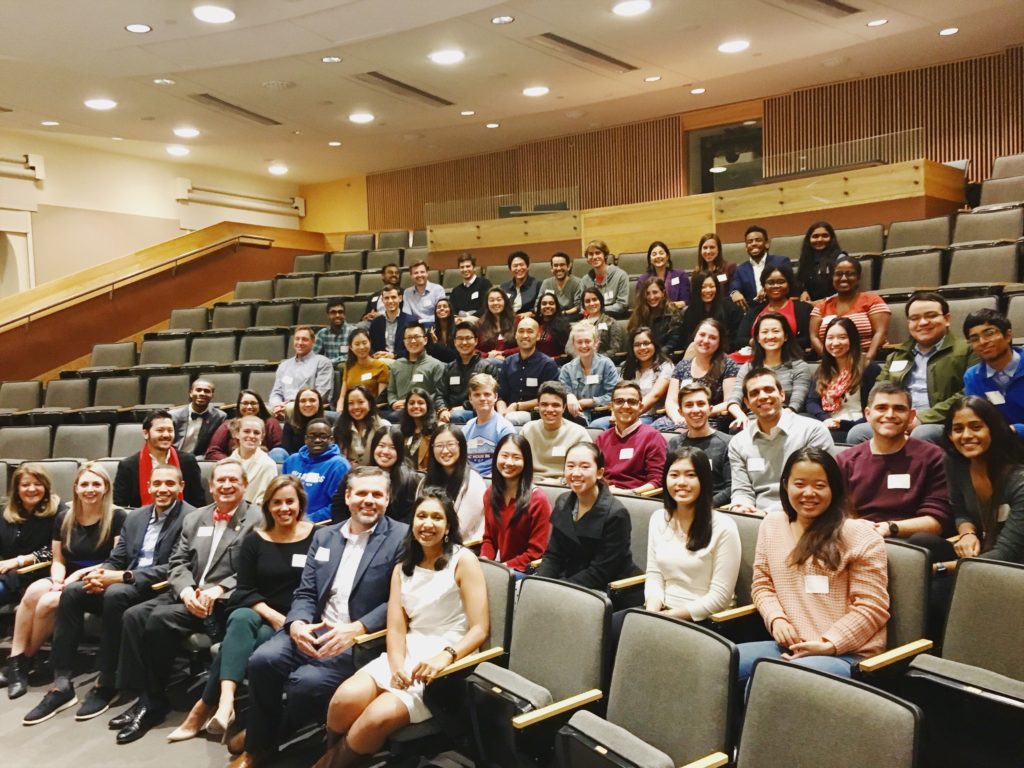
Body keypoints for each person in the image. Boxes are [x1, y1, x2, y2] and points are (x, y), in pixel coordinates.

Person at [231, 466, 407, 767]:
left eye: (377, 494)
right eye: (362, 493)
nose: (369, 500)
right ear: (348, 496)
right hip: (313, 628)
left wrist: (358, 627)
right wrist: (297, 622)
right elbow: (307, 591)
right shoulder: (325, 536)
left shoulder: (401, 538)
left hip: (359, 639)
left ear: (388, 499)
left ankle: (273, 731)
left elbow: (401, 600)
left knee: (305, 684)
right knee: (262, 661)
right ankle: (259, 746)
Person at [314, 488, 488, 768]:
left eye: (436, 518)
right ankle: (334, 760)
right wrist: (396, 668)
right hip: (406, 652)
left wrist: (446, 655)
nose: (427, 524)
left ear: (448, 527)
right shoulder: (402, 567)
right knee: (343, 701)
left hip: (447, 659)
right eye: (421, 516)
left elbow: (480, 628)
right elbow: (396, 629)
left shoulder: (462, 560)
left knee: (374, 719)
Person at [21, 465, 192, 724]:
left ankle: (107, 680)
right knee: (73, 591)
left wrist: (122, 576)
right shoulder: (136, 517)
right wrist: (101, 575)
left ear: (181, 487)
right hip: (124, 584)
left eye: (170, 484)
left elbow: (176, 566)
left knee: (115, 595)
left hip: (159, 590)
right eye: (157, 484)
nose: (162, 489)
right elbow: (117, 558)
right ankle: (62, 682)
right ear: (148, 487)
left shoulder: (190, 518)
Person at [110, 459, 261, 745]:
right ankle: (144, 693)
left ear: (245, 485)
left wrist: (219, 590)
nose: (226, 485)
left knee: (159, 619)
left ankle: (153, 701)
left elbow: (257, 568)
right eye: (220, 480)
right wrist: (187, 590)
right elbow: (177, 562)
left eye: (233, 480)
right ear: (211, 485)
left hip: (224, 601)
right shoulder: (196, 518)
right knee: (134, 615)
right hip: (189, 593)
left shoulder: (259, 519)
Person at [167, 476, 315, 744]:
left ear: (300, 503)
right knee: (240, 615)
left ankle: (204, 707)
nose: (284, 508)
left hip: (297, 617)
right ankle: (225, 704)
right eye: (277, 502)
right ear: (268, 506)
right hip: (259, 611)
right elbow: (245, 589)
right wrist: (272, 615)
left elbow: (317, 587)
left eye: (290, 502)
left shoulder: (317, 537)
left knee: (239, 641)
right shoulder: (255, 540)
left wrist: (290, 620)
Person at [736, 448, 889, 686]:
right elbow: (762, 585)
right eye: (800, 484)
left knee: (768, 683)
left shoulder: (859, 535)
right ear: (786, 485)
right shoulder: (772, 524)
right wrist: (777, 620)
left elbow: (872, 607)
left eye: (819, 485)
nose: (809, 493)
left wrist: (830, 643)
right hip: (790, 645)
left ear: (834, 489)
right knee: (717, 664)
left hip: (846, 653)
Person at [6, 464, 125, 701]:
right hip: (66, 574)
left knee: (48, 602)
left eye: (95, 484)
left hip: (97, 578)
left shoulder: (117, 516)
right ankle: (16, 659)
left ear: (105, 488)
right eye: (84, 484)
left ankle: (24, 661)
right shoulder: (64, 517)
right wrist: (59, 579)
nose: (89, 489)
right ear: (76, 488)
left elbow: (116, 560)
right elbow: (58, 559)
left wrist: (72, 579)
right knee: (32, 593)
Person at [836, 383, 952, 556]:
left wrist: (889, 528)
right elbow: (837, 513)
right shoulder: (845, 460)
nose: (889, 415)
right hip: (857, 541)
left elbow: (937, 521)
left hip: (910, 545)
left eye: (899, 409)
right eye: (881, 408)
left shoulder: (933, 457)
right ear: (867, 414)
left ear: (911, 415)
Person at [847, 291, 973, 445]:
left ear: (947, 319)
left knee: (921, 434)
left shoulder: (966, 351)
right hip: (897, 418)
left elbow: (969, 392)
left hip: (943, 421)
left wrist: (922, 418)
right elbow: (879, 390)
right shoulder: (898, 355)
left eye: (931, 316)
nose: (923, 323)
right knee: (858, 433)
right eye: (915, 318)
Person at [644, 446, 741, 622]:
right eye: (674, 475)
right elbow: (654, 575)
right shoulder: (658, 518)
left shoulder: (724, 527)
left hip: (706, 619)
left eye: (691, 475)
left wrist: (669, 617)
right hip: (662, 612)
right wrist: (651, 613)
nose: (681, 482)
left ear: (704, 480)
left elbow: (721, 597)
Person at [728, 368, 835, 515]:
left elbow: (816, 489)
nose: (763, 396)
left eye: (769, 390)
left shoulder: (812, 431)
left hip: (804, 513)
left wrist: (768, 514)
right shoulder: (738, 442)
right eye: (754, 393)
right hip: (754, 516)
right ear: (746, 403)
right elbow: (742, 489)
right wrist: (741, 507)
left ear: (782, 394)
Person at [935, 396, 1024, 569]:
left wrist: (937, 568)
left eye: (976, 427)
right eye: (958, 429)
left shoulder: (1019, 481)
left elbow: (1006, 553)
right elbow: (960, 510)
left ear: (993, 430)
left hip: (1012, 564)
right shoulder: (954, 462)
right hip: (981, 550)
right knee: (922, 542)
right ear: (950, 435)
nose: (966, 435)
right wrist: (967, 533)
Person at [535, 443, 640, 589]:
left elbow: (601, 571)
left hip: (609, 589)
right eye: (570, 466)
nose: (576, 473)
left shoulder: (616, 514)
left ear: (599, 472)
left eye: (584, 467)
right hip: (569, 581)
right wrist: (538, 584)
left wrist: (557, 590)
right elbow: (554, 554)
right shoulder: (563, 501)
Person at [481, 434, 552, 575]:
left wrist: (501, 569)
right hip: (502, 568)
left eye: (516, 457)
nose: (509, 462)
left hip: (526, 572)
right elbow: (489, 539)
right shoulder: (490, 494)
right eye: (504, 456)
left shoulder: (538, 499)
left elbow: (535, 553)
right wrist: (484, 561)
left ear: (526, 461)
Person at [655, 318, 742, 430]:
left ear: (719, 342)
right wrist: (678, 418)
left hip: (711, 420)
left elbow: (729, 402)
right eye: (702, 335)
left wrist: (697, 414)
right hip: (681, 419)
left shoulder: (729, 365)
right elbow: (671, 401)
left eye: (712, 337)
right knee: (651, 434)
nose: (705, 340)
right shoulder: (682, 365)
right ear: (695, 337)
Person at [728, 312, 812, 425]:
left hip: (788, 419)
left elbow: (796, 404)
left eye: (776, 331)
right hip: (754, 420)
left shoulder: (799, 367)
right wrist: (741, 417)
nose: (770, 336)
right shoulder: (748, 368)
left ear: (786, 336)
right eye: (764, 332)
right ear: (757, 338)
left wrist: (772, 421)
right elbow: (734, 400)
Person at [805, 318, 880, 442]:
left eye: (842, 337)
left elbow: (874, 408)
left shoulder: (868, 368)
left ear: (852, 340)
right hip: (829, 422)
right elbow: (811, 402)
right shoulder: (823, 369)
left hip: (857, 425)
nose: (835, 343)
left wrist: (844, 424)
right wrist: (825, 418)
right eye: (830, 338)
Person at [0, 464, 64, 606]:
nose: (31, 489)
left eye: (37, 484)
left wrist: (19, 561)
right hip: (7, 575)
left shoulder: (60, 512)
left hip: (38, 577)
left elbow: (55, 552)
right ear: (17, 489)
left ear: (46, 487)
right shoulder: (5, 511)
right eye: (25, 485)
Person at [114, 409, 205, 509]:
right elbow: (120, 507)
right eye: (160, 430)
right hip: (142, 523)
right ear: (146, 433)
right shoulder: (128, 466)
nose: (166, 435)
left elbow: (198, 503)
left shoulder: (188, 462)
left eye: (170, 430)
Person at [333, 427, 422, 526]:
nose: (385, 451)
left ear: (400, 452)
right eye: (381, 445)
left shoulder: (410, 480)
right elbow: (339, 506)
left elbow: (410, 516)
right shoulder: (355, 473)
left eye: (392, 447)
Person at [808, 255, 890, 360]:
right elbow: (814, 337)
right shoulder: (822, 306)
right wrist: (829, 361)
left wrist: (867, 360)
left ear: (858, 278)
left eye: (850, 274)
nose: (843, 278)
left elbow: (880, 333)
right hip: (831, 362)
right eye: (838, 274)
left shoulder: (872, 300)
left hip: (866, 359)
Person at [666, 383, 733, 508]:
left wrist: (701, 509)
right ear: (680, 411)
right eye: (689, 405)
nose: (696, 410)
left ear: (710, 409)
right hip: (681, 508)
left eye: (701, 404)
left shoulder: (728, 443)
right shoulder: (674, 444)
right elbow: (669, 481)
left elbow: (731, 488)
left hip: (715, 510)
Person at [594, 381, 666, 494]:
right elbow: (594, 474)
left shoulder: (653, 437)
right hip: (604, 497)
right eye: (619, 401)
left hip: (636, 500)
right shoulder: (602, 438)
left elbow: (658, 480)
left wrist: (629, 493)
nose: (626, 406)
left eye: (632, 402)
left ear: (641, 406)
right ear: (611, 406)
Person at [962, 308, 1024, 436]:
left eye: (989, 333)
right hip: (998, 445)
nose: (982, 342)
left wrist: (1015, 430)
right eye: (974, 339)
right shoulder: (973, 377)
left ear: (1008, 336)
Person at [424, 424, 488, 542]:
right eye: (439, 446)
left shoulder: (474, 481)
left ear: (461, 447)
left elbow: (460, 530)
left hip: (463, 547)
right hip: (429, 543)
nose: (445, 450)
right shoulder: (425, 480)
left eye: (450, 445)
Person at [734, 262, 813, 356]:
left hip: (792, 359)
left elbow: (807, 340)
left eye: (781, 282)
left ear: (789, 285)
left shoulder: (804, 309)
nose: (775, 286)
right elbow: (740, 340)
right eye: (770, 282)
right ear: (764, 286)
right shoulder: (754, 310)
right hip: (757, 360)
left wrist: (767, 343)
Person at [521, 382, 592, 481]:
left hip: (565, 486)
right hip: (531, 486)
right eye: (544, 404)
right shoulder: (527, 430)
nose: (549, 409)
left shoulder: (579, 434)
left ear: (564, 408)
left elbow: (587, 470)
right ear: (538, 406)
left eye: (555, 405)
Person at [283, 418, 350, 524]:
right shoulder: (291, 460)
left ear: (331, 439)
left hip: (320, 525)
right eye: (312, 436)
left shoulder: (339, 465)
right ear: (305, 439)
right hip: (288, 519)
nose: (317, 440)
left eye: (323, 436)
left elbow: (339, 505)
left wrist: (306, 520)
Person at [497, 317, 560, 427]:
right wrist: (502, 413)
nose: (525, 335)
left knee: (510, 419)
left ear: (538, 336)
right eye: (521, 331)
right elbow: (501, 396)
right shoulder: (508, 363)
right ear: (516, 335)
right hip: (508, 413)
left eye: (530, 331)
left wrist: (517, 406)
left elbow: (549, 397)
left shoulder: (547, 364)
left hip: (535, 414)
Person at [608, 326, 673, 427]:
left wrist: (630, 415)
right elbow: (617, 395)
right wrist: (614, 415)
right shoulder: (627, 368)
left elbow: (654, 396)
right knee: (598, 424)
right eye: (637, 345)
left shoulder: (666, 366)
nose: (642, 347)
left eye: (646, 343)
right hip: (623, 414)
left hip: (650, 416)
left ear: (654, 345)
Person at [384, 321, 447, 423]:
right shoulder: (396, 365)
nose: (413, 341)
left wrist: (413, 403)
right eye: (408, 338)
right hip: (399, 410)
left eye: (416, 337)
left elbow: (438, 393)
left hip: (424, 411)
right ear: (404, 342)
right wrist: (393, 402)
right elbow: (391, 391)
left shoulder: (436, 365)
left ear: (425, 340)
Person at [558, 322, 619, 426]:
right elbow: (561, 395)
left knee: (595, 425)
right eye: (579, 342)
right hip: (575, 416)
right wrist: (568, 396)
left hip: (602, 414)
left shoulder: (606, 364)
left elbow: (614, 396)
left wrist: (589, 402)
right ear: (573, 344)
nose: (584, 346)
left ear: (596, 343)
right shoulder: (566, 369)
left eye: (587, 341)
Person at [440, 321, 499, 425]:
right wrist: (443, 410)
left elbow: (491, 396)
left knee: (457, 416)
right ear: (454, 342)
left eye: (468, 338)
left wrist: (464, 406)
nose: (464, 342)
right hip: (451, 412)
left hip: (476, 411)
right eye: (460, 339)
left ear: (476, 341)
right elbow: (440, 393)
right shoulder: (448, 368)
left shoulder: (487, 367)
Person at [268, 327, 334, 417]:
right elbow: (276, 392)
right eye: (297, 339)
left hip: (308, 406)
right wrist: (277, 405)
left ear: (313, 342)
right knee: (262, 409)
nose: (300, 343)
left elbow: (322, 392)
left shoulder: (322, 362)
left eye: (305, 339)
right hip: (284, 407)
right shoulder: (284, 365)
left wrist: (297, 404)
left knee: (290, 408)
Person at [206, 390, 283, 460]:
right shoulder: (228, 425)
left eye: (253, 403)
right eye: (245, 403)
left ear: (260, 405)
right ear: (239, 405)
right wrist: (232, 462)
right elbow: (213, 451)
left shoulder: (271, 423)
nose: (249, 407)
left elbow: (279, 449)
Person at [464, 373, 516, 477]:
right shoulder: (467, 428)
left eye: (487, 394)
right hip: (469, 480)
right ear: (470, 398)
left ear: (495, 396)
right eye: (477, 394)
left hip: (495, 481)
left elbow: (508, 465)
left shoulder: (505, 428)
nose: (482, 398)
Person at [679, 271, 744, 351]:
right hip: (699, 354)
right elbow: (687, 340)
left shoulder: (730, 308)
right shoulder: (690, 312)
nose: (708, 290)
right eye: (703, 287)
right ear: (697, 289)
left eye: (712, 286)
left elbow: (737, 338)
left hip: (725, 354)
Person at [728, 225, 789, 310]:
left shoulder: (781, 262)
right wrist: (735, 293)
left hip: (778, 307)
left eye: (758, 240)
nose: (754, 244)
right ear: (746, 247)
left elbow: (790, 285)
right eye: (750, 242)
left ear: (767, 244)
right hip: (752, 310)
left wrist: (768, 289)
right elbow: (734, 287)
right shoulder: (740, 269)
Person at [627, 277, 685, 355]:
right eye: (647, 293)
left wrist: (654, 356)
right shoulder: (638, 314)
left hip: (665, 357)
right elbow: (632, 340)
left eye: (655, 292)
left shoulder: (673, 314)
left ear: (663, 293)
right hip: (642, 355)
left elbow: (672, 343)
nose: (651, 297)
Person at [170, 378, 226, 456]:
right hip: (176, 457)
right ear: (190, 393)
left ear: (212, 395)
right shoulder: (173, 416)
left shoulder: (219, 417)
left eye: (206, 391)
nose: (202, 393)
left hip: (201, 459)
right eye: (198, 390)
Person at [231, 416, 279, 506]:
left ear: (261, 438)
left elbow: (266, 501)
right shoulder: (225, 464)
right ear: (237, 434)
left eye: (256, 433)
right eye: (246, 431)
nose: (251, 436)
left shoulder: (268, 465)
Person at [334, 385, 388, 465]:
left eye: (360, 402)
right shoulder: (338, 428)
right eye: (351, 403)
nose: (356, 407)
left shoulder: (383, 426)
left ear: (369, 404)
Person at [272, 386, 327, 461]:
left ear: (319, 403)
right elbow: (286, 451)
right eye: (303, 401)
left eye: (312, 400)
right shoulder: (290, 424)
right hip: (296, 465)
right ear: (297, 404)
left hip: (322, 463)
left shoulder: (328, 424)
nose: (307, 404)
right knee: (277, 452)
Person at [338, 328, 389, 405]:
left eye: (364, 343)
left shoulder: (381, 366)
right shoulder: (349, 365)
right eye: (357, 344)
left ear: (370, 343)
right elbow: (342, 397)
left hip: (370, 409)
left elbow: (380, 400)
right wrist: (340, 408)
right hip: (349, 409)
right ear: (351, 347)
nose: (361, 347)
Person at [796, 221, 845, 302]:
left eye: (825, 236)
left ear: (831, 238)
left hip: (835, 303)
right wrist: (803, 292)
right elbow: (800, 282)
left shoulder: (840, 259)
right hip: (810, 305)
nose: (820, 239)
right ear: (809, 239)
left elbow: (845, 288)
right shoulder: (804, 260)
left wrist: (823, 302)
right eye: (815, 236)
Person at [580, 239, 630, 318]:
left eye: (598, 253)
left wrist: (598, 310)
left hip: (615, 318)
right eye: (590, 254)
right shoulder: (584, 280)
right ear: (587, 258)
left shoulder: (621, 275)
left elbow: (622, 305)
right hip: (592, 319)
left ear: (605, 255)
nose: (594, 257)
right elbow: (582, 307)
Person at [638, 240, 690, 309]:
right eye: (654, 254)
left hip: (676, 314)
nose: (658, 256)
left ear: (667, 256)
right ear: (650, 259)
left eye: (661, 253)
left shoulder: (680, 275)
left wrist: (668, 307)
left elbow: (685, 301)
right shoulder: (643, 279)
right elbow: (640, 303)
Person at [368, 286, 415, 361]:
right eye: (386, 298)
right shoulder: (376, 323)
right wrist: (376, 354)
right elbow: (371, 347)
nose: (390, 301)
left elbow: (414, 347)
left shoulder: (411, 321)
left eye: (393, 297)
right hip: (380, 361)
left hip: (403, 361)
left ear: (400, 298)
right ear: (382, 300)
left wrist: (394, 355)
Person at [578, 287, 626, 356]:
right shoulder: (579, 325)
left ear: (601, 301)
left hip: (604, 362)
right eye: (587, 301)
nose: (591, 303)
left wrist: (596, 359)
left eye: (594, 299)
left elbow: (615, 349)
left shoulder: (611, 323)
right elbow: (569, 348)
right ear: (584, 305)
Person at [398, 387, 437, 470]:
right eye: (411, 403)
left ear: (428, 406)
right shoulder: (401, 431)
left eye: (420, 403)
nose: (416, 406)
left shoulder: (437, 431)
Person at [402, 261, 446, 328]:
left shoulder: (438, 290)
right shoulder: (407, 292)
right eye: (416, 273)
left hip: (435, 327)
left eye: (422, 272)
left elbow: (441, 314)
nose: (419, 275)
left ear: (427, 273)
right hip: (416, 329)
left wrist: (423, 321)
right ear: (411, 275)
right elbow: (407, 315)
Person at [448, 253, 491, 321]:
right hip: (461, 324)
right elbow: (452, 311)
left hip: (481, 322)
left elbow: (486, 307)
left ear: (474, 268)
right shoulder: (455, 291)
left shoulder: (484, 284)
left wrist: (469, 317)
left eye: (468, 266)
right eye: (462, 267)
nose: (465, 269)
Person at [476, 286, 517, 359]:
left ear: (505, 301)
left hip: (512, 362)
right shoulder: (479, 324)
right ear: (487, 303)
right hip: (487, 363)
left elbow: (523, 347)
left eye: (499, 299)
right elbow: (473, 349)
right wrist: (488, 355)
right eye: (491, 300)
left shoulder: (516, 321)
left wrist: (503, 353)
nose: (495, 303)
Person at [313, 299, 355, 367]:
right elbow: (313, 355)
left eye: (340, 312)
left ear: (344, 315)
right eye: (333, 312)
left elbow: (353, 357)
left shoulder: (353, 332)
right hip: (326, 371)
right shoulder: (322, 333)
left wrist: (328, 362)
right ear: (328, 315)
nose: (337, 315)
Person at [539, 251, 583, 316]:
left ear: (568, 267)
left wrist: (563, 313)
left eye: (562, 265)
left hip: (570, 317)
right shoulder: (546, 283)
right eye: (555, 265)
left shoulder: (578, 283)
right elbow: (538, 304)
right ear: (551, 268)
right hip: (550, 317)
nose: (559, 268)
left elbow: (578, 306)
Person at [692, 232, 735, 296]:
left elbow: (733, 292)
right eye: (705, 248)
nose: (708, 251)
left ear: (718, 250)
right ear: (700, 250)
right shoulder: (697, 272)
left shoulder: (729, 267)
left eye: (712, 247)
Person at [501, 250, 541, 316]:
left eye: (521, 265)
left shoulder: (537, 285)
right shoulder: (504, 287)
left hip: (528, 320)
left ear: (527, 267)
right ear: (510, 269)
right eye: (515, 266)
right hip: (507, 320)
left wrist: (531, 313)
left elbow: (540, 307)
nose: (519, 268)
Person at [534, 289, 572, 357]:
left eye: (551, 303)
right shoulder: (535, 324)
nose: (547, 306)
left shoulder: (564, 326)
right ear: (539, 307)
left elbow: (568, 354)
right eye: (544, 303)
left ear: (556, 307)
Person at [427, 297, 458, 363]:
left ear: (450, 310)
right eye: (438, 307)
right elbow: (429, 354)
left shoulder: (458, 329)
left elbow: (456, 355)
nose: (442, 308)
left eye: (445, 306)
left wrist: (436, 344)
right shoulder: (431, 331)